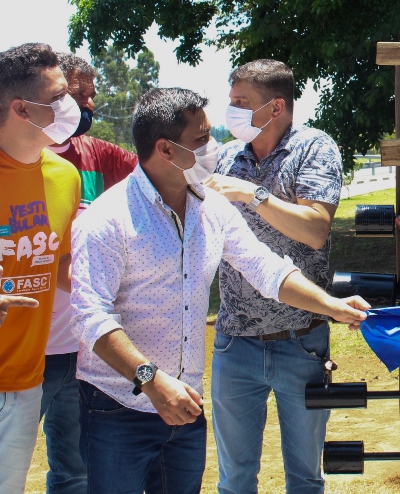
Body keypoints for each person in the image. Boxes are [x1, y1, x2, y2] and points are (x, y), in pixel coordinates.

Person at [71, 87, 371, 494]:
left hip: (184, 406)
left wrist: (330, 305)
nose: (213, 147)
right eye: (200, 139)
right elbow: (90, 318)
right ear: (166, 150)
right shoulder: (107, 220)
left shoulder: (211, 208)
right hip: (118, 407)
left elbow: (266, 269)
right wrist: (153, 382)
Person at [203, 60, 343, 494]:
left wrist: (254, 193)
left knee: (304, 478)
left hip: (300, 341)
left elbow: (315, 230)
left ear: (275, 107)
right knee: (234, 481)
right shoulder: (226, 157)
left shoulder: (313, 148)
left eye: (241, 102)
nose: (231, 110)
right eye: (231, 101)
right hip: (234, 343)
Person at [38, 52, 138, 494]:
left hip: (77, 347)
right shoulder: (17, 162)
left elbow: (159, 173)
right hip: (22, 348)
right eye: (79, 95)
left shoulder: (96, 154)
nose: (89, 105)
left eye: (92, 95)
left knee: (74, 471)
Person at [0, 43, 82, 494]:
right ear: (21, 109)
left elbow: (59, 260)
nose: (71, 106)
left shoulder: (64, 176)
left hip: (26, 381)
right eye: (58, 97)